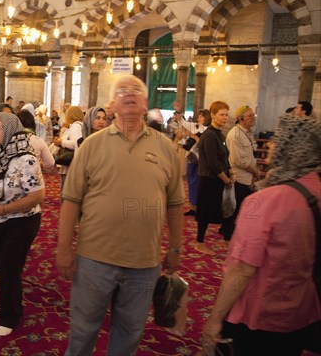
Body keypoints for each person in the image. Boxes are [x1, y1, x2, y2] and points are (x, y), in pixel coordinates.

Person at [56, 75, 184, 356]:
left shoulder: (164, 148)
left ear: (146, 103)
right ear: (112, 104)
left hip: (144, 263)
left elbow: (175, 204)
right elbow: (71, 201)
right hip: (94, 260)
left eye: (136, 90)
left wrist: (175, 247)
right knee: (82, 332)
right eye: (122, 90)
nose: (129, 94)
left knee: (129, 334)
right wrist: (64, 248)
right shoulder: (92, 145)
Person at [202, 114, 321, 356]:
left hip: (260, 317)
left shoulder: (266, 201)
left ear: (292, 148)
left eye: (279, 139)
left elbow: (242, 270)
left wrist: (215, 319)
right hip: (302, 313)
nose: (270, 144)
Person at [0, 112, 45, 337]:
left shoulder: (27, 159)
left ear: (12, 130)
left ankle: (10, 316)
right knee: (0, 266)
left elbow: (38, 195)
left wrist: (3, 209)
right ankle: (7, 305)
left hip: (22, 222)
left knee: (8, 268)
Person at [195, 101, 234, 255]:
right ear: (212, 115)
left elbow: (224, 158)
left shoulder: (219, 134)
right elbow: (212, 162)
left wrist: (230, 172)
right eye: (222, 114)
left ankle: (228, 241)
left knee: (227, 210)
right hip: (209, 179)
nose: (225, 118)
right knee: (205, 213)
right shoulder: (210, 135)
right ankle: (199, 242)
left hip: (219, 179)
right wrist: (226, 179)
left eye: (226, 114)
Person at [226, 106, 261, 225]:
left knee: (242, 209)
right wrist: (255, 172)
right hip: (239, 179)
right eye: (250, 116)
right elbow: (239, 161)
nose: (253, 118)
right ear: (241, 118)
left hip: (248, 177)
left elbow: (250, 155)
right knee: (234, 210)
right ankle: (228, 234)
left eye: (253, 116)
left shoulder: (247, 133)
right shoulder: (235, 135)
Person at [178, 109, 211, 216]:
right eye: (199, 116)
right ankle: (192, 208)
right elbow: (189, 145)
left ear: (207, 118)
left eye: (202, 117)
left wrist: (192, 135)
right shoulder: (197, 129)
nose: (199, 118)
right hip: (192, 160)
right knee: (191, 184)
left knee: (199, 185)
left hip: (201, 162)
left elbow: (203, 143)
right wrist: (182, 141)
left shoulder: (208, 131)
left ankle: (199, 209)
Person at [52, 106, 83, 191]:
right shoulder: (77, 126)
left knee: (66, 194)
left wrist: (61, 142)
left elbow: (76, 143)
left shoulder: (76, 126)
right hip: (69, 166)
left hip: (70, 167)